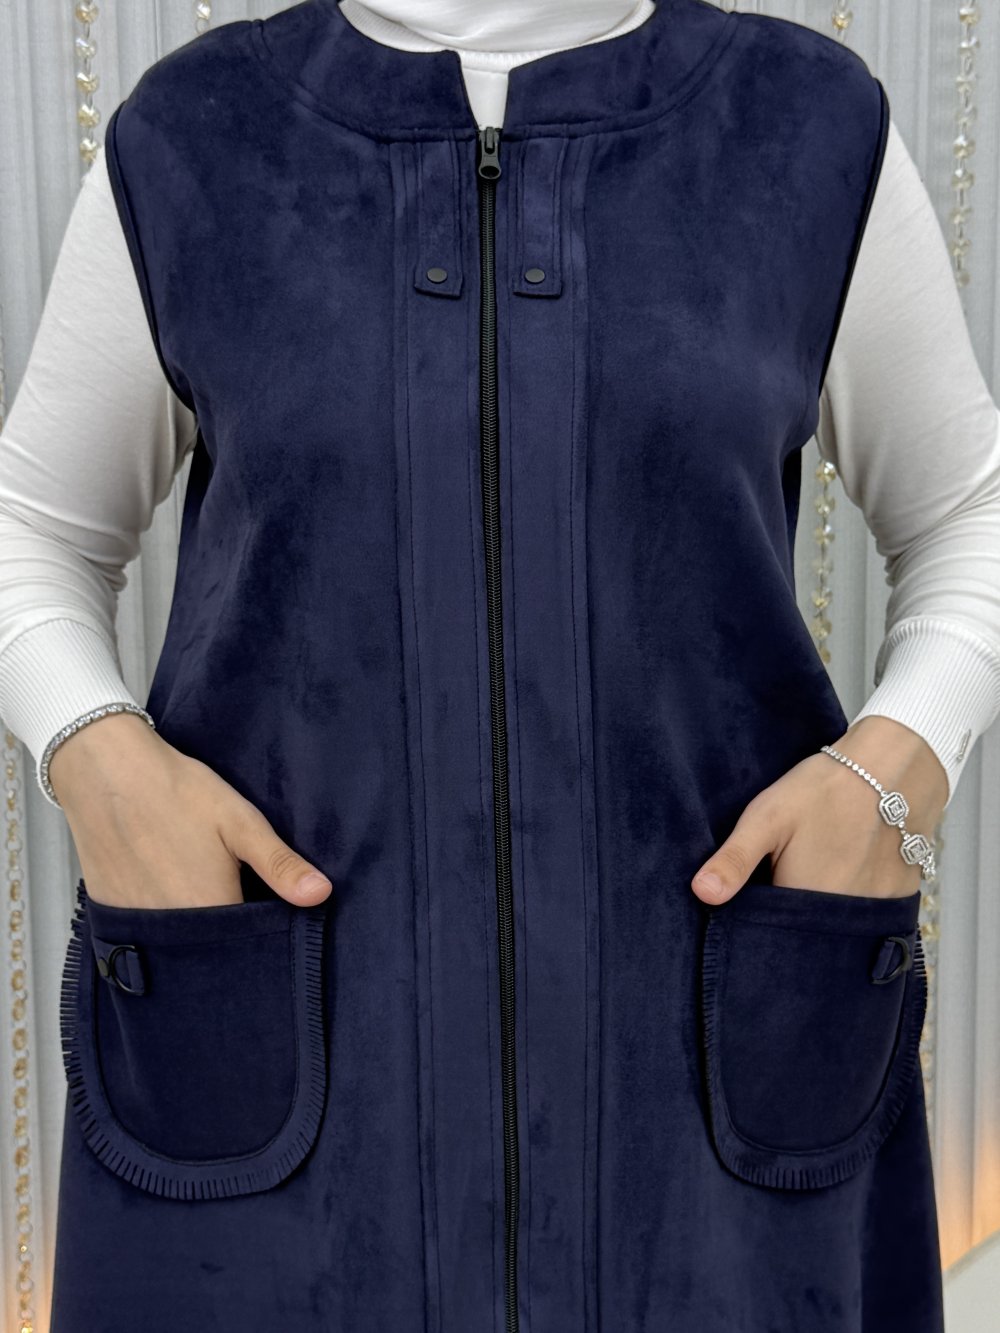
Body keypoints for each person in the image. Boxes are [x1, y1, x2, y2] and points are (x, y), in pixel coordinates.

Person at [0, 1, 998, 1329]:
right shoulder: (193, 141)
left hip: (716, 1076)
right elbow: (35, 529)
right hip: (273, 1076)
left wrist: (901, 766)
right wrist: (97, 758)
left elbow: (964, 510)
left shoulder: (806, 131)